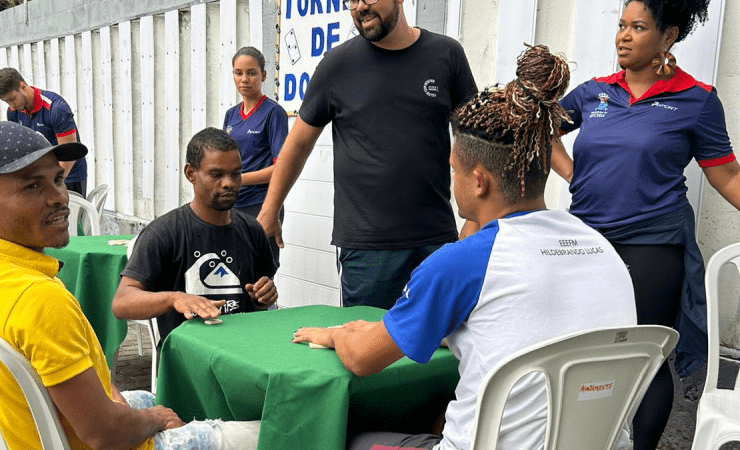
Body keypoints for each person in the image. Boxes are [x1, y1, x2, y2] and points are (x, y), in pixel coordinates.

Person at [293, 45, 638, 450]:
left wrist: (339, 336)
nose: (451, 179)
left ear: (478, 180)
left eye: (452, 170)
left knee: (344, 436)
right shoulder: (601, 248)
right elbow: (515, 322)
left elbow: (361, 360)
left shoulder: (463, 262)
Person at [0, 121, 260, 450]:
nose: (59, 198)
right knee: (272, 432)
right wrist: (155, 419)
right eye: (32, 187)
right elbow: (106, 434)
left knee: (174, 399)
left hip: (40, 433)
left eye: (58, 179)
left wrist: (133, 407)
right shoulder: (37, 299)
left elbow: (90, 389)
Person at [550, 1, 740, 448]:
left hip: (652, 242)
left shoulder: (697, 99)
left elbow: (727, 174)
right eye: (621, 26)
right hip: (587, 241)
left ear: (668, 37)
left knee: (645, 357)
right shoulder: (594, 92)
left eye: (638, 27)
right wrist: (575, 175)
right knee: (578, 352)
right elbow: (541, 130)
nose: (624, 36)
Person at [256, 0, 477, 309]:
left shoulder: (446, 55)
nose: (360, 7)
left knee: (441, 346)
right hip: (367, 248)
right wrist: (270, 210)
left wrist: (477, 218)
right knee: (368, 347)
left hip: (435, 238)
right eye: (353, 0)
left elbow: (473, 141)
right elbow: (298, 143)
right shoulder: (338, 65)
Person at [113, 127, 278, 345]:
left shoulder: (252, 230)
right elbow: (122, 303)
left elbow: (261, 297)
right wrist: (174, 299)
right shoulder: (164, 232)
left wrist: (265, 294)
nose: (229, 183)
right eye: (216, 174)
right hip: (187, 362)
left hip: (242, 354)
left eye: (235, 173)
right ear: (191, 173)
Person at [223, 46, 288, 264]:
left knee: (259, 270)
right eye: (238, 73)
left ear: (264, 75)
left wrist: (240, 179)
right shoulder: (231, 115)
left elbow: (282, 168)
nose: (244, 79)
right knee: (231, 267)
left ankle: (267, 301)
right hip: (232, 204)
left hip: (261, 204)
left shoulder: (273, 113)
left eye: (251, 73)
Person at [0, 67, 88, 196]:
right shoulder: (13, 113)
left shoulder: (56, 108)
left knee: (68, 216)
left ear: (23, 86)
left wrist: (51, 183)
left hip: (69, 177)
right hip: (40, 179)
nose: (11, 105)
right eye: (6, 102)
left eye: (12, 98)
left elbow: (69, 156)